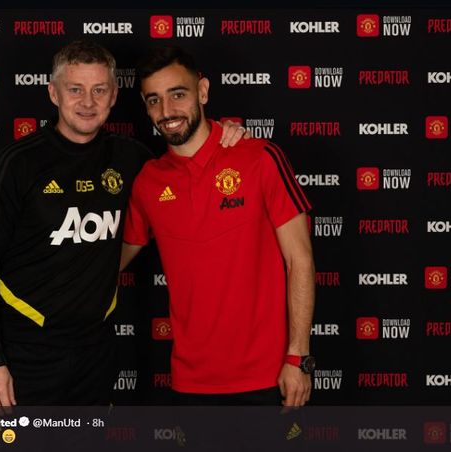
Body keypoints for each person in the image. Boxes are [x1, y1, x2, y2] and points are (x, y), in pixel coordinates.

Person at [0, 40, 247, 407]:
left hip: (96, 355)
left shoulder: (132, 159)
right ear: (53, 93)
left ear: (114, 95)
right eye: (75, 90)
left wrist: (226, 137)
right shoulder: (16, 162)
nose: (88, 102)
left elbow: (187, 166)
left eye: (99, 90)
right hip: (24, 356)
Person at [121, 46, 316, 406]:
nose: (167, 112)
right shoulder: (148, 182)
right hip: (189, 383)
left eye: (178, 94)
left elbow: (300, 261)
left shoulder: (259, 157)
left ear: (203, 91)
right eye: (154, 100)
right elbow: (109, 260)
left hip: (269, 378)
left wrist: (297, 358)